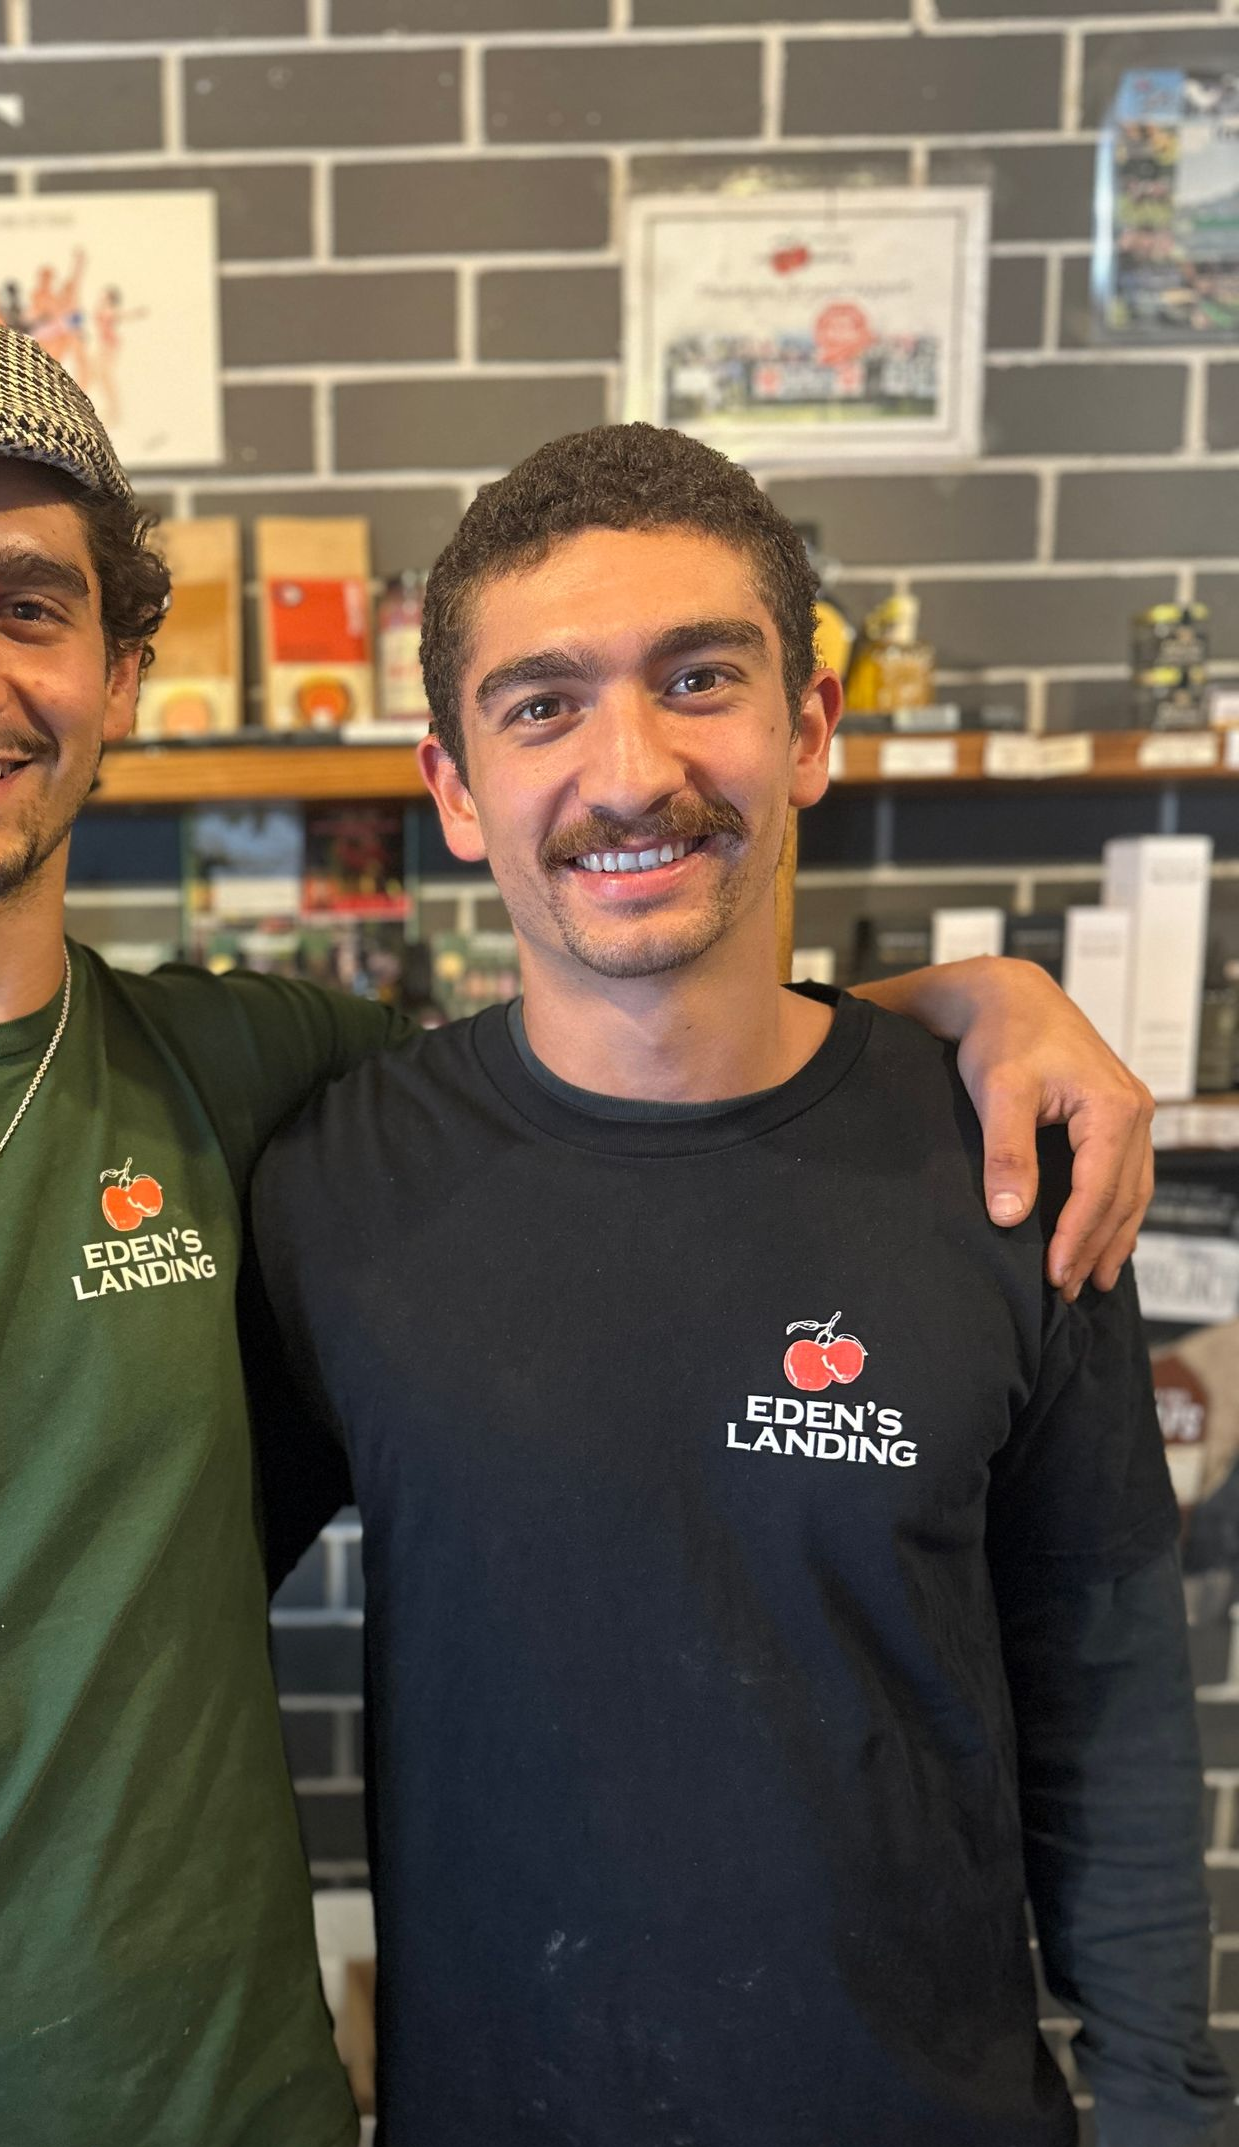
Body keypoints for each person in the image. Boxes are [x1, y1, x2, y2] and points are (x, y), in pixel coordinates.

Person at [0, 314, 1150, 2147]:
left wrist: (959, 1011)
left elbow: (637, 1046)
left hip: (234, 2107)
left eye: (29, 606)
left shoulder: (254, 1075)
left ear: (122, 667)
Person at [248, 423, 1225, 2146]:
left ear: (813, 728)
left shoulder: (1008, 1157)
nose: (629, 771)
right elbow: (134, 1596)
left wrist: (1160, 2105)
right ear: (456, 787)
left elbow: (1108, 1681)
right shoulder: (339, 1186)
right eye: (542, 704)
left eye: (699, 677)